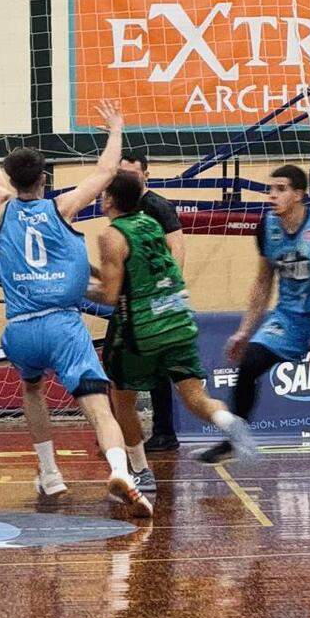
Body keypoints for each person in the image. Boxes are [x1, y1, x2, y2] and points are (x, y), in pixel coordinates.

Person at [0, 96, 152, 519]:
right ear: (45, 179)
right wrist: (116, 129)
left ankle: (50, 474)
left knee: (32, 390)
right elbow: (105, 172)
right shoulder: (61, 208)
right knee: (99, 407)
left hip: (20, 328)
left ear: (12, 180)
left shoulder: (1, 207)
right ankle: (121, 471)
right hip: (63, 325)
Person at [196, 164, 310, 488]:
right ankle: (236, 439)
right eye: (269, 189)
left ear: (300, 194)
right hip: (289, 315)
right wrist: (246, 330)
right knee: (248, 364)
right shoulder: (267, 228)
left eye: (281, 189)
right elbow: (263, 282)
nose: (272, 195)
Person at [96, 168, 257, 493]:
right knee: (196, 397)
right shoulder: (152, 224)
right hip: (179, 319)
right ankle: (232, 425)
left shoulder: (110, 235)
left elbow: (111, 296)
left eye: (103, 192)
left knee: (121, 400)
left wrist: (73, 288)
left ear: (111, 198)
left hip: (142, 327)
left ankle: (141, 473)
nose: (100, 196)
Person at [118, 149, 185, 452]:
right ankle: (122, 429)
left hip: (158, 298)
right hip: (129, 298)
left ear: (146, 174)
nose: (127, 179)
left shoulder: (158, 206)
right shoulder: (120, 207)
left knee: (159, 366)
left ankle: (165, 432)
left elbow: (178, 250)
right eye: (122, 173)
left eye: (132, 173)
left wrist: (167, 291)